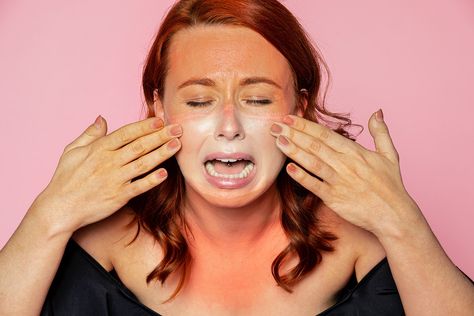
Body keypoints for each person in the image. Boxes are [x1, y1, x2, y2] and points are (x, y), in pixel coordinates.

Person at [1, 0, 473, 315]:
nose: (229, 126)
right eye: (200, 101)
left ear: (300, 108)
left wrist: (401, 222)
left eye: (259, 100)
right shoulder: (101, 238)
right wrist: (50, 214)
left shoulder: (360, 238)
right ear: (159, 108)